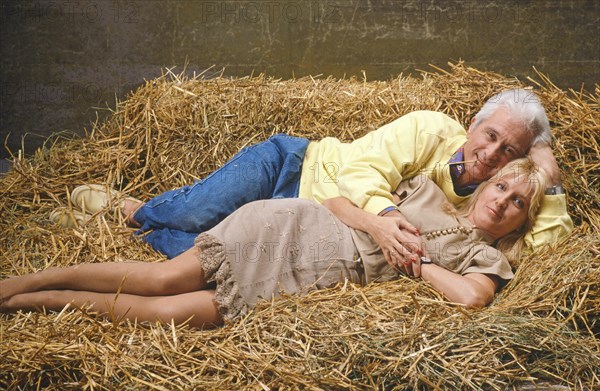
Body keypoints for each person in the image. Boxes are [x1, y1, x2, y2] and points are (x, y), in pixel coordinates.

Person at [1, 158, 546, 329]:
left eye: (518, 202)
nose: (503, 201)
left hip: (303, 281)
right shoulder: (424, 190)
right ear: (486, 184)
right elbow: (336, 204)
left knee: (168, 314)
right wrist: (377, 225)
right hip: (292, 228)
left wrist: (416, 263)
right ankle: (25, 282)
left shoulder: (487, 258)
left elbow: (472, 297)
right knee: (162, 278)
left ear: (521, 221)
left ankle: (28, 302)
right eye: (502, 186)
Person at [53, 88, 572, 266]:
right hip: (293, 168)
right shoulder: (430, 130)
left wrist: (548, 182)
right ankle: (125, 209)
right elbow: (358, 170)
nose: (491, 153)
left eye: (511, 152)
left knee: (198, 255)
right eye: (489, 135)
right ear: (474, 123)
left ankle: (139, 225)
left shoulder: (498, 196)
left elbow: (545, 253)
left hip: (302, 227)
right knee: (190, 213)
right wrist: (385, 218)